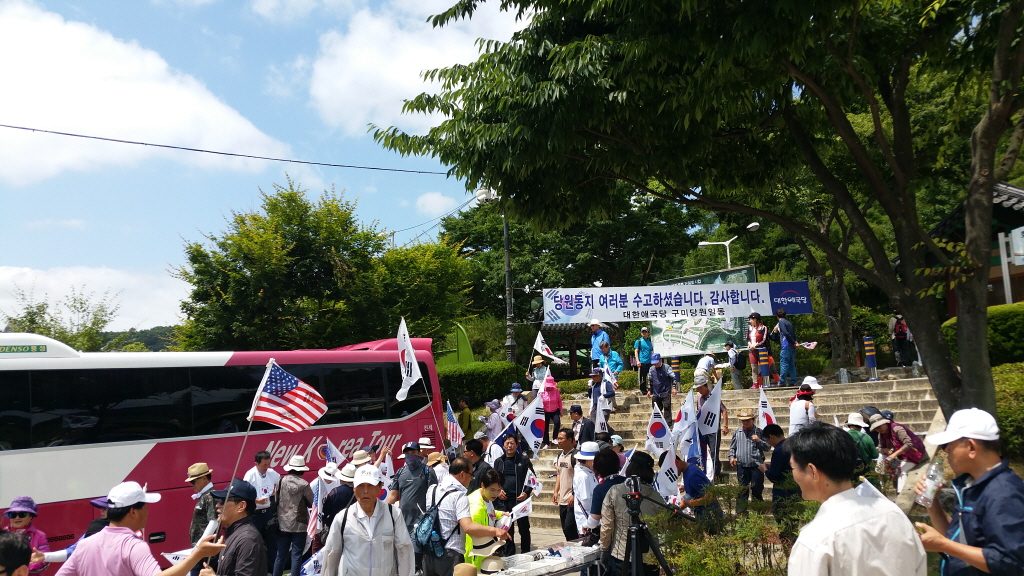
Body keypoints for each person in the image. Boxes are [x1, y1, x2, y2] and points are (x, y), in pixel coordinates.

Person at [786, 421, 926, 576]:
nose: (793, 475)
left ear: (813, 471)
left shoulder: (814, 539)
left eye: (793, 467)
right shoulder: (894, 513)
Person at [913, 408, 1024, 576]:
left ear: (971, 447)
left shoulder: (1004, 493)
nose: (946, 451)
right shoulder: (972, 485)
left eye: (950, 445)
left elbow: (1010, 563)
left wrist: (943, 545)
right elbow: (957, 536)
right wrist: (932, 503)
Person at [55, 481, 225, 576]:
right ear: (133, 512)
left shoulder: (85, 545)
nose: (148, 511)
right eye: (145, 507)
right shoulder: (134, 546)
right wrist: (197, 554)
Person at [422, 458, 509, 576]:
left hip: (429, 551)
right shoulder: (459, 496)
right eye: (471, 474)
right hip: (450, 554)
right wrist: (495, 531)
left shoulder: (432, 489)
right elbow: (468, 527)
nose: (472, 478)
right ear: (462, 474)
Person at [320, 465, 414, 576]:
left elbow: (404, 551)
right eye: (360, 486)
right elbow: (332, 554)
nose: (365, 491)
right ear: (354, 488)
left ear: (379, 487)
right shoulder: (342, 518)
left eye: (370, 485)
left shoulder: (393, 514)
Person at [600, 452, 664, 575]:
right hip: (650, 556)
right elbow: (663, 526)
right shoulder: (656, 496)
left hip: (622, 554)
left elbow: (607, 525)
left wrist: (604, 549)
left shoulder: (615, 491)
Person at [199, 479, 267, 576]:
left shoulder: (248, 539)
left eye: (223, 501)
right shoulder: (235, 532)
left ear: (241, 506)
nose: (217, 505)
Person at [387, 441, 438, 570]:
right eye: (407, 453)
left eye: (413, 452)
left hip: (421, 525)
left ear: (419, 453)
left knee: (415, 558)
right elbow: (393, 495)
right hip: (403, 523)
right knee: (402, 557)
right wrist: (381, 509)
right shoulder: (400, 472)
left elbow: (434, 497)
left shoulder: (428, 471)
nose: (410, 455)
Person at [492, 434, 535, 555]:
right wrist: (498, 491)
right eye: (507, 443)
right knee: (507, 529)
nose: (510, 446)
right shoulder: (499, 461)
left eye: (512, 443)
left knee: (524, 528)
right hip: (504, 501)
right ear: (503, 446)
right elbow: (494, 480)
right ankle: (509, 555)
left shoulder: (524, 460)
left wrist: (526, 492)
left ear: (517, 445)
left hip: (520, 501)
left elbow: (532, 479)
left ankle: (526, 553)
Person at [758, 424, 800, 544]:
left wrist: (765, 470)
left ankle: (788, 551)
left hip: (782, 494)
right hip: (795, 491)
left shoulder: (779, 450)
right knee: (794, 526)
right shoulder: (792, 446)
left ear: (771, 437)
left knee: (784, 529)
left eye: (768, 440)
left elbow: (774, 476)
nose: (769, 443)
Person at [273, 455, 314, 576]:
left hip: (282, 522)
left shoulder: (281, 481)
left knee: (280, 555)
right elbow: (311, 502)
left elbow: (276, 499)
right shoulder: (304, 484)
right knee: (296, 556)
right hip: (299, 524)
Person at [869, 413, 927, 493]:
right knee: (881, 458)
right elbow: (879, 448)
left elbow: (908, 444)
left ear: (885, 423)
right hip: (900, 456)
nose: (878, 430)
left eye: (879, 426)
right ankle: (882, 485)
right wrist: (885, 450)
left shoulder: (897, 428)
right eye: (876, 428)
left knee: (902, 469)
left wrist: (894, 454)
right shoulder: (881, 435)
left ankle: (900, 492)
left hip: (914, 453)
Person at [242, 450, 280, 569]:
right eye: (264, 465)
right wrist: (256, 501)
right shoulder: (250, 475)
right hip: (255, 514)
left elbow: (281, 483)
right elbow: (244, 496)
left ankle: (273, 570)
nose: (266, 467)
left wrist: (275, 492)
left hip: (268, 512)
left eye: (268, 464)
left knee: (272, 543)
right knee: (254, 543)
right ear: (256, 464)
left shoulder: (272, 473)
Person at [728, 410, 770, 513]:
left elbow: (767, 447)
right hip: (742, 465)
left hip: (756, 466)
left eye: (747, 420)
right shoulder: (737, 432)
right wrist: (731, 457)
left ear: (753, 420)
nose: (745, 422)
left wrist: (759, 440)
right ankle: (741, 512)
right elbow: (733, 447)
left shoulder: (759, 432)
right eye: (743, 421)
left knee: (756, 489)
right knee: (742, 489)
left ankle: (758, 511)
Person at [464, 469, 506, 569]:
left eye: (498, 490)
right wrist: (495, 531)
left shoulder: (485, 497)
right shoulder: (476, 507)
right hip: (476, 554)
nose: (495, 494)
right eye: (492, 490)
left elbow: (488, 512)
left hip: (484, 550)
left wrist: (500, 514)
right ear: (483, 485)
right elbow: (474, 531)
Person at [584, 448, 626, 539]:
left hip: (616, 535)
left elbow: (594, 520)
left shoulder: (600, 489)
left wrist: (585, 525)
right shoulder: (628, 482)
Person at [185, 463, 217, 576]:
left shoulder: (210, 495)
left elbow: (214, 521)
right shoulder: (205, 495)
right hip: (202, 549)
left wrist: (199, 546)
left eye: (193, 481)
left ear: (204, 479)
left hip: (205, 550)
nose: (191, 485)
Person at [3, 497, 48, 573]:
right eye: (13, 514)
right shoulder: (3, 533)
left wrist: (20, 571)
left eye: (22, 514)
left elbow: (44, 560)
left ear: (31, 516)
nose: (17, 518)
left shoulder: (40, 536)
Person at [695, 379, 729, 478]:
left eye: (700, 388)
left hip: (713, 429)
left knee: (714, 452)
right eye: (698, 389)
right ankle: (704, 472)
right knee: (702, 452)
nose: (699, 391)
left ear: (706, 386)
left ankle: (715, 474)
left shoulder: (714, 397)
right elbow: (698, 411)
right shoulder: (698, 397)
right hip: (702, 429)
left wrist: (725, 426)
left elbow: (724, 410)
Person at [551, 428, 580, 541]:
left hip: (572, 499)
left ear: (570, 440)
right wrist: (555, 491)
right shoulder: (560, 455)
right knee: (565, 528)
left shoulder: (576, 456)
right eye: (558, 438)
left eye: (561, 439)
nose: (559, 441)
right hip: (562, 499)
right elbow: (559, 474)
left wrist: (574, 494)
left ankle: (576, 548)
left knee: (570, 527)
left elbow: (579, 478)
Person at [320, 463, 356, 541]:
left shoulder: (335, 492)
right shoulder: (358, 494)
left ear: (342, 479)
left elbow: (325, 512)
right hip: (352, 528)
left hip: (334, 527)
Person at [572, 442, 599, 539]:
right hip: (587, 523)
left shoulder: (588, 472)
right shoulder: (583, 476)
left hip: (591, 521)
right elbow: (586, 502)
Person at [747, 312, 780, 388]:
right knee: (756, 368)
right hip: (753, 350)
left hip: (764, 351)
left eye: (751, 319)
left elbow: (766, 338)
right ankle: (757, 383)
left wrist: (775, 332)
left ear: (755, 320)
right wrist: (751, 345)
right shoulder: (750, 328)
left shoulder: (763, 328)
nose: (750, 321)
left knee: (771, 367)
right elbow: (747, 338)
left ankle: (778, 381)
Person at [845, 412, 880, 483]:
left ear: (849, 425)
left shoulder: (842, 436)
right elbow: (875, 455)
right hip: (866, 471)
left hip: (848, 472)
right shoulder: (867, 437)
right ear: (861, 425)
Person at [771, 308, 799, 386]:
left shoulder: (781, 322)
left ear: (777, 316)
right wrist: (795, 342)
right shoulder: (788, 323)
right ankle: (793, 380)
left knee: (784, 364)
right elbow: (793, 334)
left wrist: (793, 342)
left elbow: (785, 333)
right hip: (791, 346)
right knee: (791, 364)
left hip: (785, 346)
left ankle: (782, 381)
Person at [647, 352, 678, 416]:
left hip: (665, 391)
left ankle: (668, 422)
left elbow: (673, 378)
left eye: (656, 362)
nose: (655, 364)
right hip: (656, 392)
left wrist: (674, 388)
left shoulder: (667, 367)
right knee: (656, 409)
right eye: (654, 363)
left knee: (667, 407)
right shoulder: (651, 369)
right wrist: (649, 390)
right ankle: (658, 421)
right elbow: (650, 380)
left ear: (660, 360)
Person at [540, 373, 563, 449]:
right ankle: (546, 443)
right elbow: (538, 401)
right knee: (545, 427)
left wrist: (561, 410)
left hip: (554, 410)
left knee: (557, 422)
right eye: (548, 386)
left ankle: (555, 438)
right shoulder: (542, 391)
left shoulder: (556, 390)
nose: (549, 387)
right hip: (545, 411)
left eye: (551, 386)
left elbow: (559, 401)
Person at [633, 326, 654, 395]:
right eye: (643, 332)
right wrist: (637, 361)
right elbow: (636, 351)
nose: (644, 333)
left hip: (650, 362)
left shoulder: (650, 342)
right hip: (642, 362)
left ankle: (651, 390)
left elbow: (651, 352)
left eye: (645, 332)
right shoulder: (639, 341)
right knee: (642, 378)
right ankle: (643, 391)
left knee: (651, 377)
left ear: (648, 333)